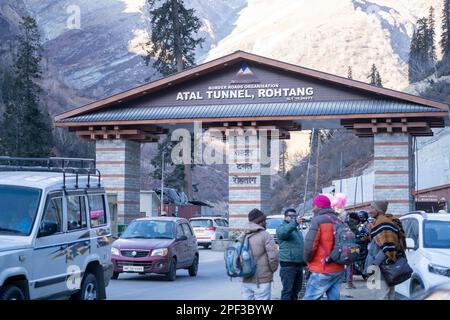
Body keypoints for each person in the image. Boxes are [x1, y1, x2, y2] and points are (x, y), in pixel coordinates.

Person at [303, 195, 345, 300]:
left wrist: (306, 260)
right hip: (338, 268)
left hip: (322, 268)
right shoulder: (338, 220)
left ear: (319, 206)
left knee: (310, 297)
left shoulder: (318, 220)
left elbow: (311, 245)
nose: (313, 208)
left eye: (314, 205)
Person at [364, 201, 406, 300]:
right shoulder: (379, 222)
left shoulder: (384, 223)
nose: (369, 211)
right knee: (383, 295)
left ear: (379, 210)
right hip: (377, 267)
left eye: (372, 208)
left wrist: (374, 264)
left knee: (381, 296)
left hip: (382, 267)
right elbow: (377, 245)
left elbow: (388, 248)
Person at [241, 208, 279, 300]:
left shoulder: (242, 235)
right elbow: (273, 257)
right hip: (262, 279)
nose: (266, 223)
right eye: (264, 220)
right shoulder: (265, 235)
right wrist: (271, 270)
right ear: (260, 221)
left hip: (246, 277)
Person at [276, 208, 306, 300]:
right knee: (287, 291)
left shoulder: (296, 230)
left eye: (295, 216)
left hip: (299, 265)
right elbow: (283, 233)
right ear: (285, 217)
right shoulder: (281, 227)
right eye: (291, 216)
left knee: (296, 291)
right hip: (288, 265)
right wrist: (295, 223)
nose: (294, 218)